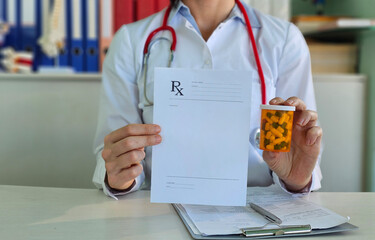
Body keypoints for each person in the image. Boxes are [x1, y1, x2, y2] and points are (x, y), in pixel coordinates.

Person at [93, 0, 323, 199]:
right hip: (160, 214)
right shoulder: (131, 41)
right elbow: (113, 150)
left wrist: (296, 180)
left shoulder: (284, 40)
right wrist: (120, 174)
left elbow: (298, 153)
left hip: (256, 214)